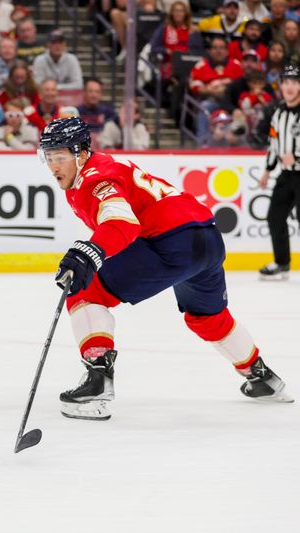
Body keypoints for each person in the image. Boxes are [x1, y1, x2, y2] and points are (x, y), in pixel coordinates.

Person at [37, 117, 293, 423]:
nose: (53, 166)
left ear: (80, 153)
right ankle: (261, 376)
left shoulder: (95, 178)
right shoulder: (101, 168)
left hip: (170, 244)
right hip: (207, 238)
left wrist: (91, 252)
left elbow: (121, 223)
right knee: (206, 317)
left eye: (60, 157)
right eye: (48, 157)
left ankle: (97, 383)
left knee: (85, 290)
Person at [258, 65, 300, 279]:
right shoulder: (278, 113)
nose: (290, 87)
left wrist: (297, 157)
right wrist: (267, 170)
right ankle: (282, 263)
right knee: (275, 216)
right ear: (281, 86)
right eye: (286, 82)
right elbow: (274, 144)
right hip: (286, 175)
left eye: (295, 82)